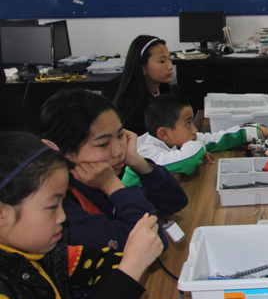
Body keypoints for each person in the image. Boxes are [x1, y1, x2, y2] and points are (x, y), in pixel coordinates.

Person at [0, 132, 164, 299]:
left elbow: (106, 261)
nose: (63, 217)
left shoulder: (42, 254)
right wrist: (129, 270)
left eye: (63, 203)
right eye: (52, 207)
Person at [40, 88, 188, 250]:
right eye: (103, 144)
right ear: (67, 153)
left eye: (120, 135)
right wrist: (112, 186)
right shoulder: (63, 206)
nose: (118, 151)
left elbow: (174, 202)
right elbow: (150, 241)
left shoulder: (98, 179)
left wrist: (137, 162)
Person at [122, 95, 268, 186]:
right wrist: (199, 149)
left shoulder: (175, 139)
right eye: (188, 124)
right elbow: (188, 159)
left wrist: (251, 131)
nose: (194, 129)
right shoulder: (143, 153)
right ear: (164, 133)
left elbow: (212, 139)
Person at [113, 35, 178, 135]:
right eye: (162, 61)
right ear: (142, 67)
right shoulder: (129, 109)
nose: (170, 66)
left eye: (169, 59)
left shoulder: (167, 93)